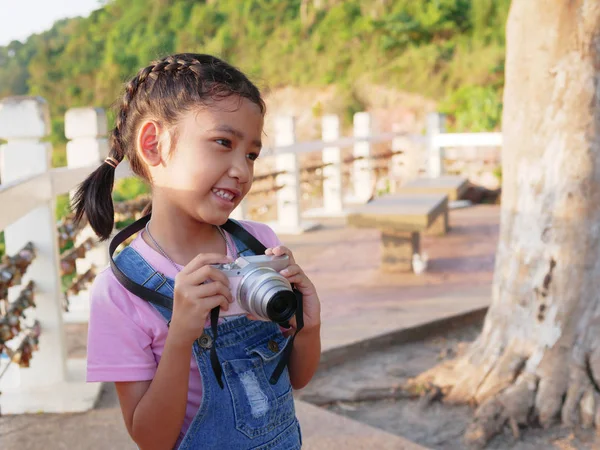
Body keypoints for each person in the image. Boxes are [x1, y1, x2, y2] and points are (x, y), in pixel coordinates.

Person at [73, 53, 321, 450]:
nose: (242, 169)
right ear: (154, 144)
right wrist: (181, 335)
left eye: (252, 154)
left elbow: (297, 378)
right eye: (223, 143)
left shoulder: (257, 245)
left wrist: (309, 325)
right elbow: (151, 439)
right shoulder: (122, 292)